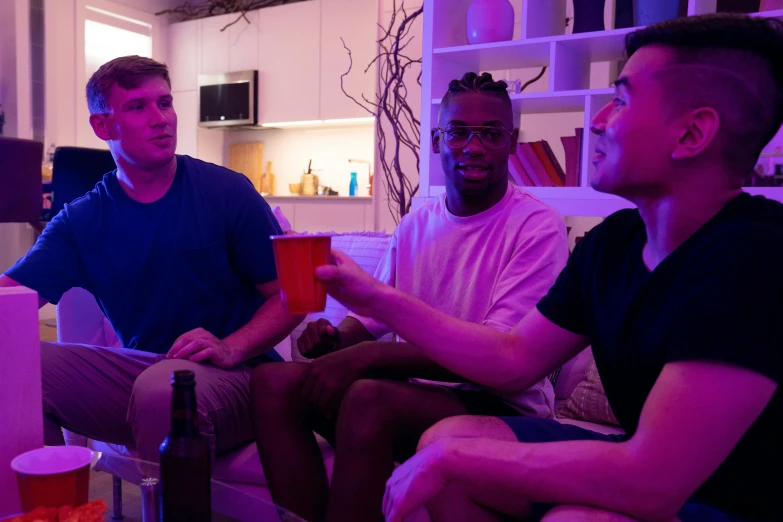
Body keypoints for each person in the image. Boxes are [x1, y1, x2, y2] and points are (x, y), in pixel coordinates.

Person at [315, 13, 783, 522]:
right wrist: (374, 297)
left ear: (692, 133)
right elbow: (513, 358)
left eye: (621, 100)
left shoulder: (756, 255)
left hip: (733, 502)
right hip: (653, 469)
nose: (599, 120)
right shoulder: (613, 244)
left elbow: (653, 482)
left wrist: (454, 459)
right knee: (446, 438)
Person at [250, 72, 569, 522]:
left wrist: (364, 359)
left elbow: (500, 360)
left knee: (369, 396)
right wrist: (336, 341)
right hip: (415, 396)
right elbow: (372, 317)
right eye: (458, 132)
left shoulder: (537, 227)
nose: (473, 147)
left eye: (491, 134)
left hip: (501, 407)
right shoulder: (416, 224)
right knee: (273, 382)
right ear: (438, 141)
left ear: (511, 142)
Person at [0, 56, 302, 461]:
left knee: (164, 389)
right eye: (138, 107)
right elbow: (12, 299)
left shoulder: (226, 191)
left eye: (165, 102)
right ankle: (49, 508)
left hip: (239, 375)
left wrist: (232, 347)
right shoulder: (81, 220)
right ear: (102, 125)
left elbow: (292, 295)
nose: (161, 119)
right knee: (14, 365)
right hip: (141, 372)